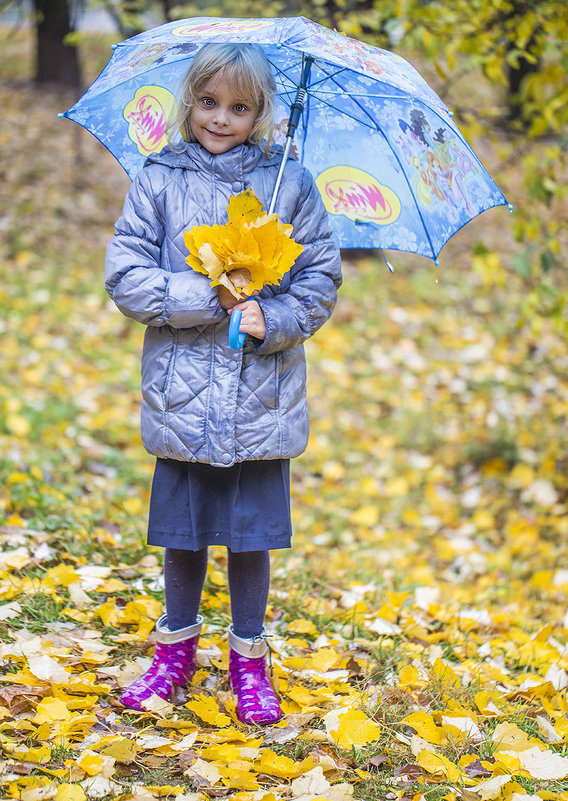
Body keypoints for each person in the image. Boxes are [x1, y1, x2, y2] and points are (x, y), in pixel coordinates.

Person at [105, 42, 342, 725]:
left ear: (261, 113)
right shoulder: (158, 179)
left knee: (249, 536)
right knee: (183, 533)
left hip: (259, 403)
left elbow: (320, 280)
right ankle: (174, 651)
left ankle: (249, 660)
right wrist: (208, 295)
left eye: (239, 107)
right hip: (183, 396)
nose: (221, 118)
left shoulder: (288, 185)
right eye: (209, 103)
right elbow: (125, 274)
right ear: (190, 104)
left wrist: (272, 315)